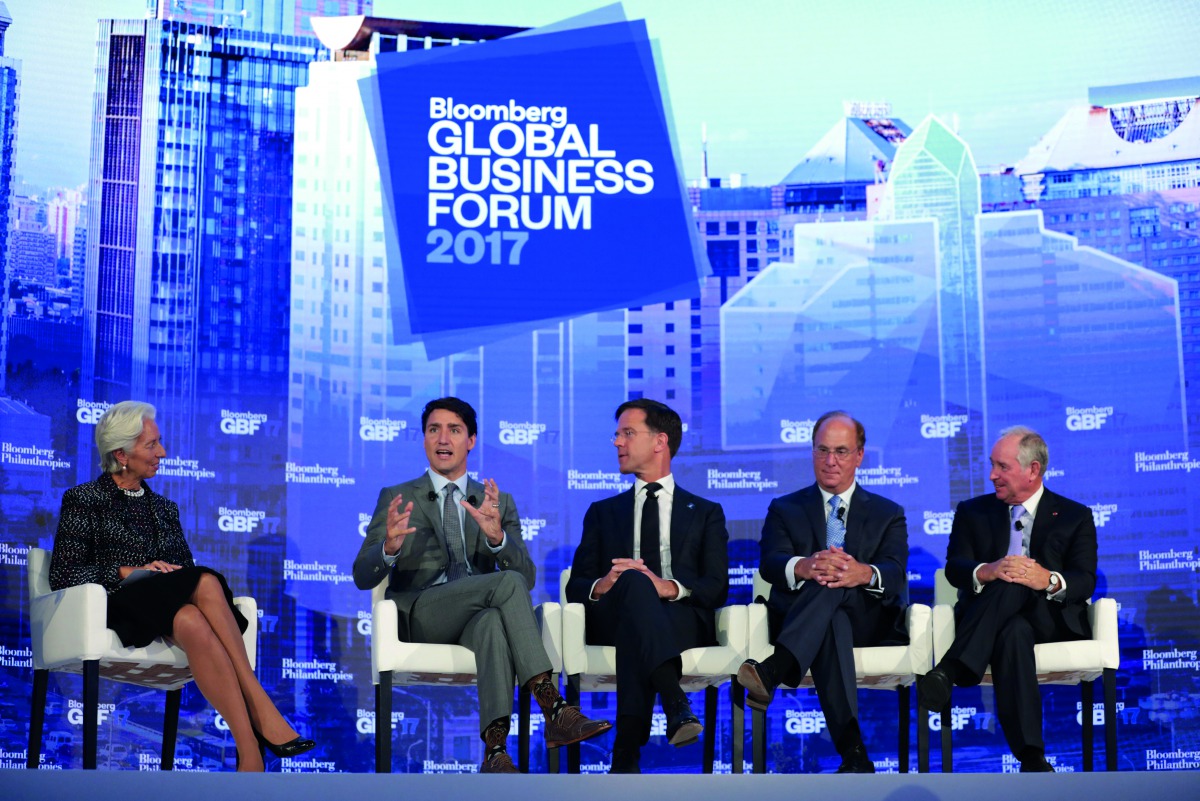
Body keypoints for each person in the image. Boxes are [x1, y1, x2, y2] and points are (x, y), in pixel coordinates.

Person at [50, 401, 314, 772]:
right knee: (204, 581)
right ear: (121, 454)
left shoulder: (164, 508)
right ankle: (259, 703)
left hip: (165, 607)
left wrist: (166, 572)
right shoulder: (83, 500)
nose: (162, 453)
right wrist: (128, 570)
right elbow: (64, 573)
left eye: (160, 443)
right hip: (116, 608)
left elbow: (183, 571)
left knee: (192, 613)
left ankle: (250, 752)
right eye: (152, 445)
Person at [353, 397, 610, 773]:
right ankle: (554, 707)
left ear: (471, 440)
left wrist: (497, 540)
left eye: (454, 430)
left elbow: (528, 576)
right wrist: (388, 548)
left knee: (493, 620)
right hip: (422, 613)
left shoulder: (497, 501)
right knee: (505, 584)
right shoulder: (398, 496)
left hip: (475, 619)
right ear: (424, 439)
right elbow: (363, 574)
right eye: (433, 429)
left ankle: (494, 752)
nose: (443, 438)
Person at [917, 426, 1097, 772]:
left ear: (1033, 470)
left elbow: (1084, 580)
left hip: (1052, 620)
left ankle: (951, 668)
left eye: (1002, 467)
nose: (992, 475)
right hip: (998, 623)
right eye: (992, 466)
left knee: (1020, 576)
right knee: (1013, 622)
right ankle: (1031, 757)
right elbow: (956, 568)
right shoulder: (973, 512)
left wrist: (1045, 578)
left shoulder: (1075, 515)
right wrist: (990, 570)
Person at [737, 410, 908, 773]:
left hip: (870, 620)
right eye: (822, 450)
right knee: (831, 599)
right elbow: (770, 563)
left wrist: (862, 573)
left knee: (839, 576)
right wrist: (805, 566)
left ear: (860, 455)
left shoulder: (887, 512)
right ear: (812, 452)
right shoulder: (785, 508)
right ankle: (854, 755)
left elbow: (894, 573)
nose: (830, 461)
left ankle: (776, 667)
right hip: (811, 621)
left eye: (842, 452)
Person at [566, 398, 729, 774]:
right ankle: (674, 703)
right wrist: (605, 584)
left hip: (682, 621)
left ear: (660, 442)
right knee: (634, 584)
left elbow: (716, 587)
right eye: (617, 434)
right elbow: (576, 586)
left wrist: (668, 587)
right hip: (614, 615)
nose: (616, 443)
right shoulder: (603, 512)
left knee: (640, 608)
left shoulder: (705, 512)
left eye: (627, 433)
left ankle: (626, 749)